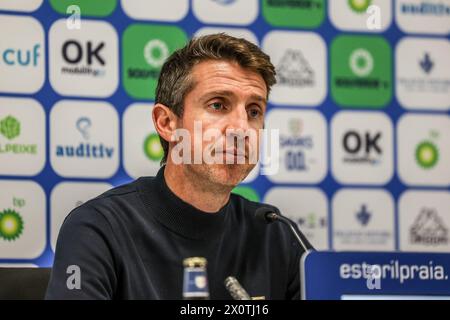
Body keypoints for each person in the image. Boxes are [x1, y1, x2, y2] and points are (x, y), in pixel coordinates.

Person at [46, 33, 312, 300]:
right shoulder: (98, 228)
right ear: (167, 123)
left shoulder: (275, 232)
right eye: (218, 105)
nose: (241, 128)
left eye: (254, 111)